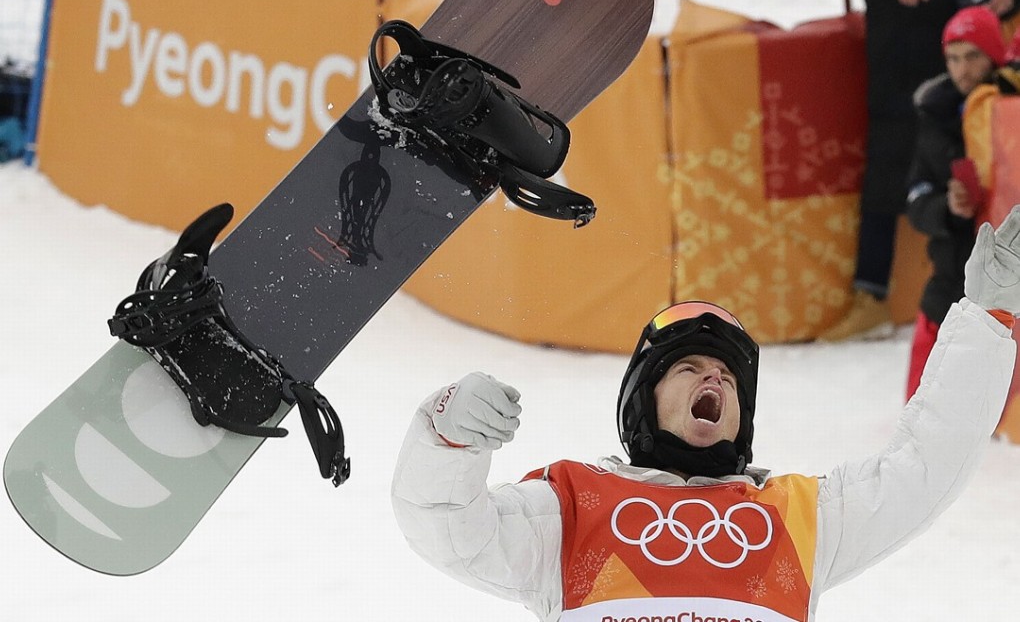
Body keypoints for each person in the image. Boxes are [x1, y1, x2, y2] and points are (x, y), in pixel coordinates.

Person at [391, 206, 1020, 622]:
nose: (713, 378)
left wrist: (987, 326)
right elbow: (447, 526)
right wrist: (448, 437)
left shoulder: (799, 518)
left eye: (726, 376)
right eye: (689, 368)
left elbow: (925, 467)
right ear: (644, 401)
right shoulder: (572, 507)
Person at [824, 0, 1020, 341]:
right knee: (886, 184)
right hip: (903, 79)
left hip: (981, 86)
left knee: (993, 190)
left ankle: (993, 301)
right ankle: (872, 294)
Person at [905, 6, 1008, 399]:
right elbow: (916, 196)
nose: (961, 69)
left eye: (972, 56)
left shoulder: (1009, 111)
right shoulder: (934, 113)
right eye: (953, 58)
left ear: (994, 56)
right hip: (953, 273)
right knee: (923, 402)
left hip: (1004, 277)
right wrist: (947, 208)